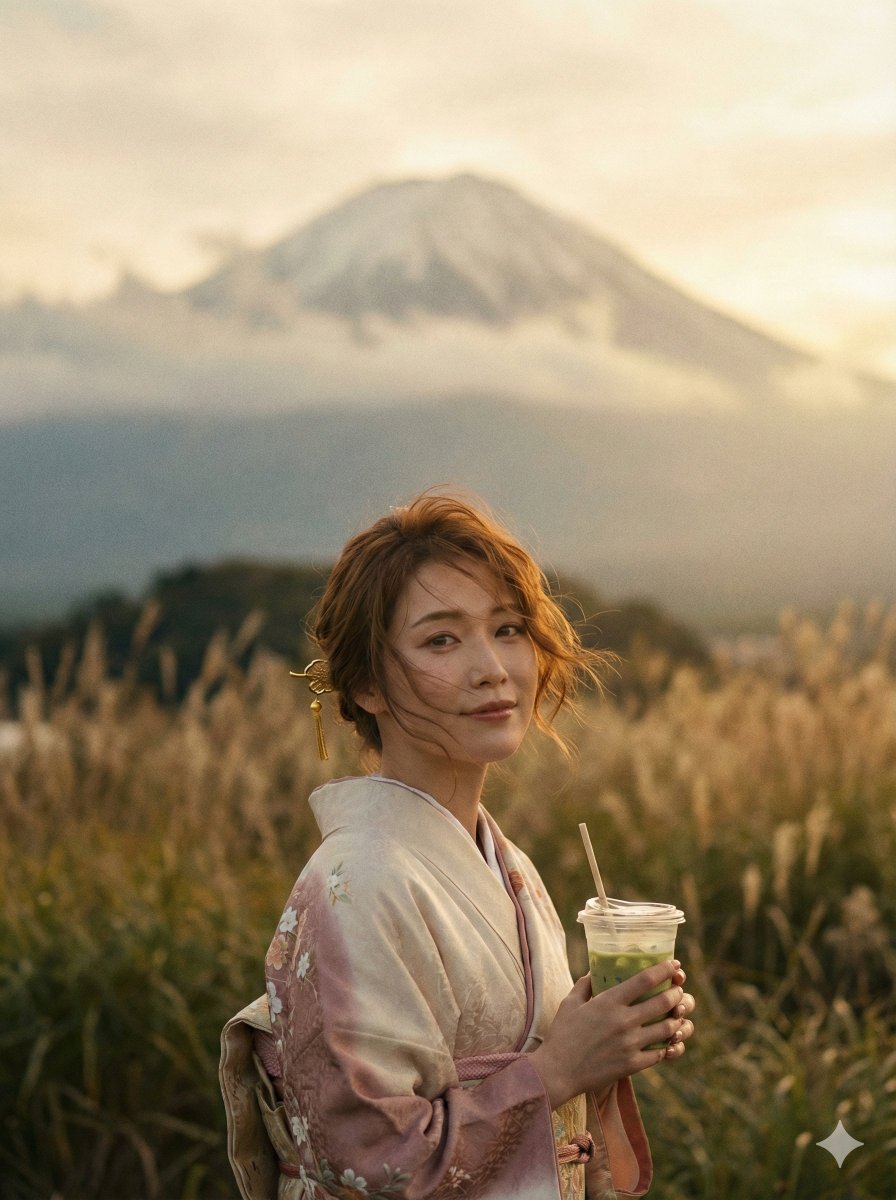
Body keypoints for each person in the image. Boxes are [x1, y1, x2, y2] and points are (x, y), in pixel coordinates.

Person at [219, 491, 696, 1200]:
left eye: (508, 629)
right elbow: (369, 1160)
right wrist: (559, 1069)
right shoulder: (358, 881)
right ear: (366, 684)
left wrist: (603, 1038)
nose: (492, 668)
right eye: (442, 640)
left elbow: (543, 1070)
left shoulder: (508, 865)